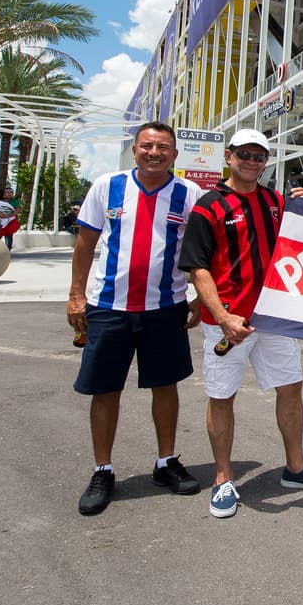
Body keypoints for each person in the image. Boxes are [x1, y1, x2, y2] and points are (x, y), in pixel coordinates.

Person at [178, 128, 303, 520]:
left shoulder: (276, 202)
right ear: (229, 156)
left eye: (259, 156)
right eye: (244, 154)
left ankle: (295, 468)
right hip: (228, 321)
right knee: (222, 396)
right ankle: (223, 478)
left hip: (273, 318)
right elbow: (198, 268)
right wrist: (221, 316)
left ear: (266, 162)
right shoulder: (208, 207)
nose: (251, 162)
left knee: (291, 387)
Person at [67, 121, 204, 516]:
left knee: (165, 386)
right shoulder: (106, 186)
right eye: (147, 146)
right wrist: (76, 295)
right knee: (105, 389)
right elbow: (85, 244)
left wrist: (199, 298)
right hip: (109, 307)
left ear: (174, 154)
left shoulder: (189, 194)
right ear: (135, 150)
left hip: (166, 307)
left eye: (163, 147)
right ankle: (103, 470)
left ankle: (166, 462)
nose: (154, 153)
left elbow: (202, 248)